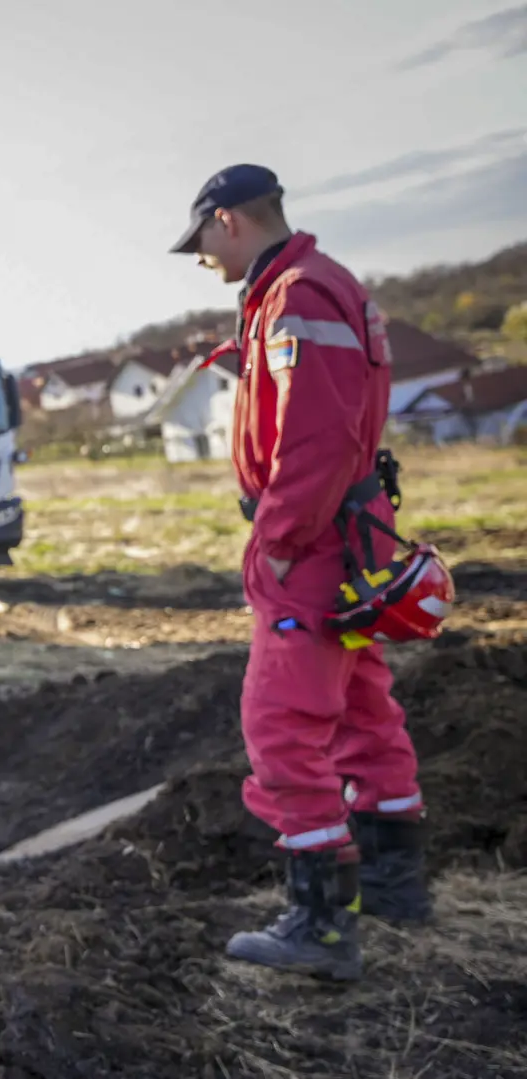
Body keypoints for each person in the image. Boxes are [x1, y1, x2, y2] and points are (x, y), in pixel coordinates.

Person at [172, 164, 427, 981]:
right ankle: (394, 886)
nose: (200, 256)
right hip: (351, 532)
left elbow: (316, 437)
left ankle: (320, 927)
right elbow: (326, 406)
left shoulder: (298, 298)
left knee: (281, 724)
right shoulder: (316, 286)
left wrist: (276, 540)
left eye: (201, 240)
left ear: (229, 219)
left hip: (313, 541)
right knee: (360, 707)